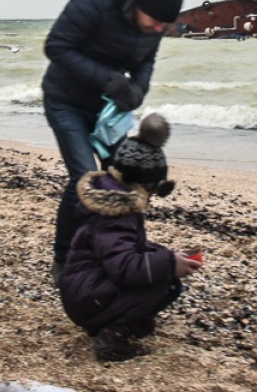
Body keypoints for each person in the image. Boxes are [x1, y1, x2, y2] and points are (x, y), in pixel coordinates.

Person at [42, 0, 184, 282]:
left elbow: (146, 60)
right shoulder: (92, 3)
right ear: (136, 3)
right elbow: (56, 46)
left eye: (166, 24)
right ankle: (63, 260)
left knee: (121, 177)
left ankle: (122, 250)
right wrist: (108, 80)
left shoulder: (154, 23)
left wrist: (138, 90)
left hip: (110, 113)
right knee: (86, 178)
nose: (160, 29)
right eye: (156, 21)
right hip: (66, 103)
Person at [58, 113, 201, 360]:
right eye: (153, 191)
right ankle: (113, 334)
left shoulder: (110, 200)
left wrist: (166, 256)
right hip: (86, 298)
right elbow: (123, 267)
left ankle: (122, 320)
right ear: (142, 185)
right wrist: (168, 264)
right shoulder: (116, 213)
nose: (151, 198)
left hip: (85, 292)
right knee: (164, 283)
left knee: (158, 268)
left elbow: (124, 249)